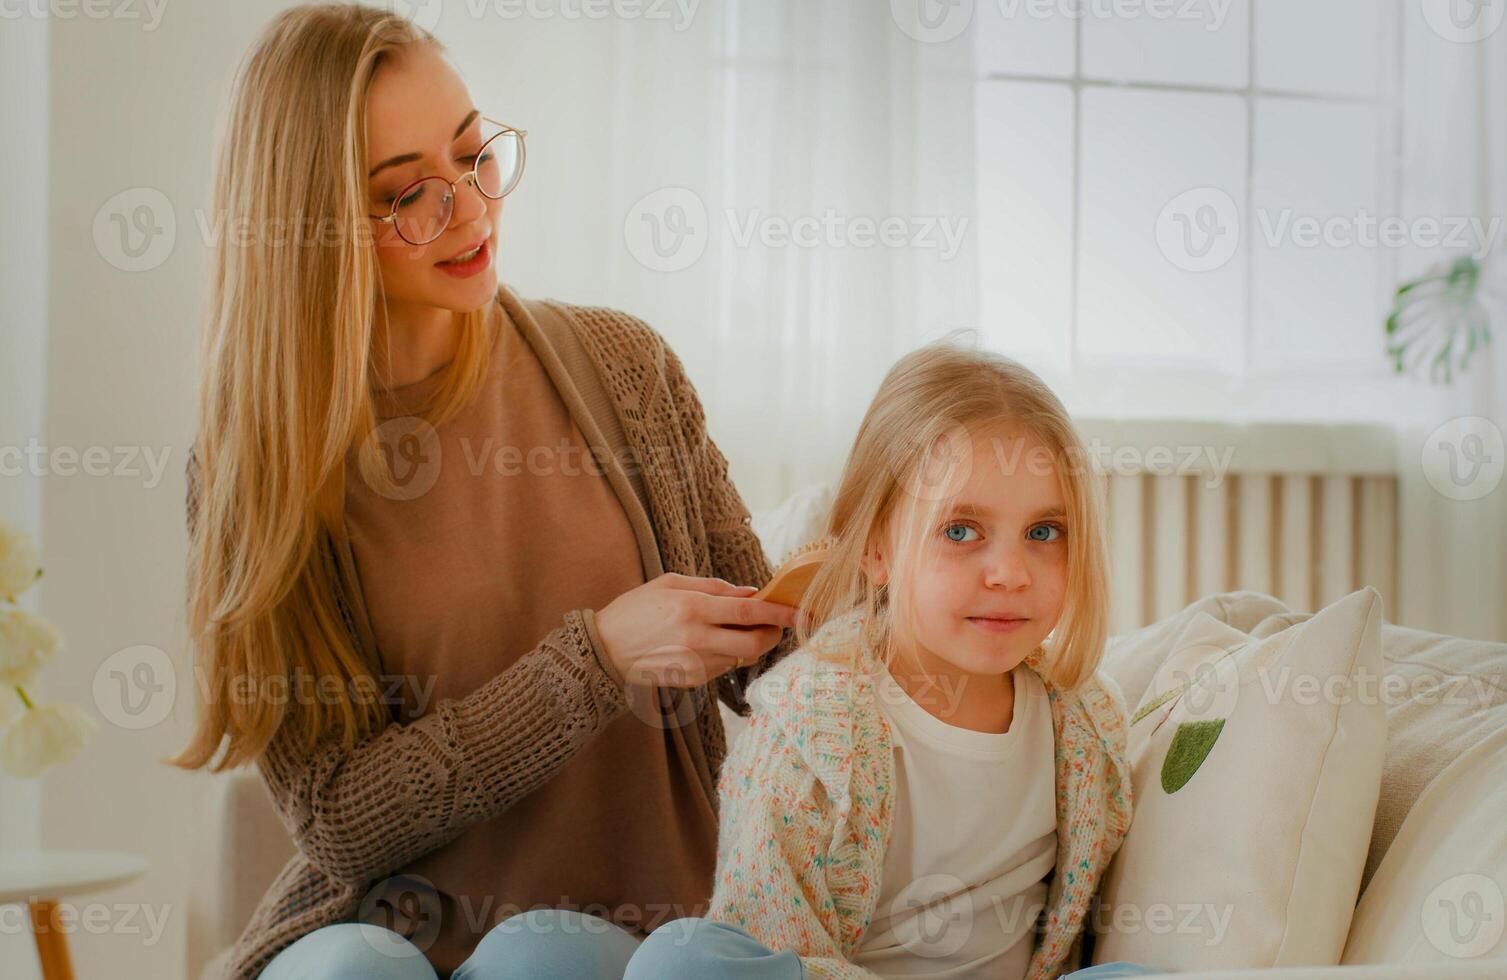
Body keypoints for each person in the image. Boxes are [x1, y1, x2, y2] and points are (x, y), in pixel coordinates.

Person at [174, 5, 794, 978]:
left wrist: (896, 562)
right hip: (389, 935)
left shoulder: (622, 367)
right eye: (407, 192)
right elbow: (338, 817)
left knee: (537, 960)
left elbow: (770, 664)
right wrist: (597, 658)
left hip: (645, 933)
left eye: (474, 155)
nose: (468, 207)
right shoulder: (258, 470)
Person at [625, 344, 1156, 978]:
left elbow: (1077, 932)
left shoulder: (1086, 722)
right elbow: (769, 945)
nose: (1011, 574)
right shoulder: (808, 730)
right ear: (877, 549)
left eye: (1044, 533)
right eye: (961, 531)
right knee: (686, 961)